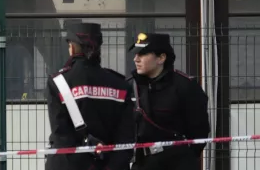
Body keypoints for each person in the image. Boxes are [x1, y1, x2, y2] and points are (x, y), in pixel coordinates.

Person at [45, 23, 135, 170]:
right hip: (110, 164)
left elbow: (61, 136)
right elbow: (126, 139)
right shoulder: (120, 84)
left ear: (72, 48)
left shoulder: (58, 82)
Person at [127, 33, 210, 170]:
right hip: (143, 163)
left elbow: (199, 130)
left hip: (178, 162)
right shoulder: (132, 86)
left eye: (142, 54)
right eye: (136, 54)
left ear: (161, 58)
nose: (136, 59)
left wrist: (184, 157)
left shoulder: (185, 86)